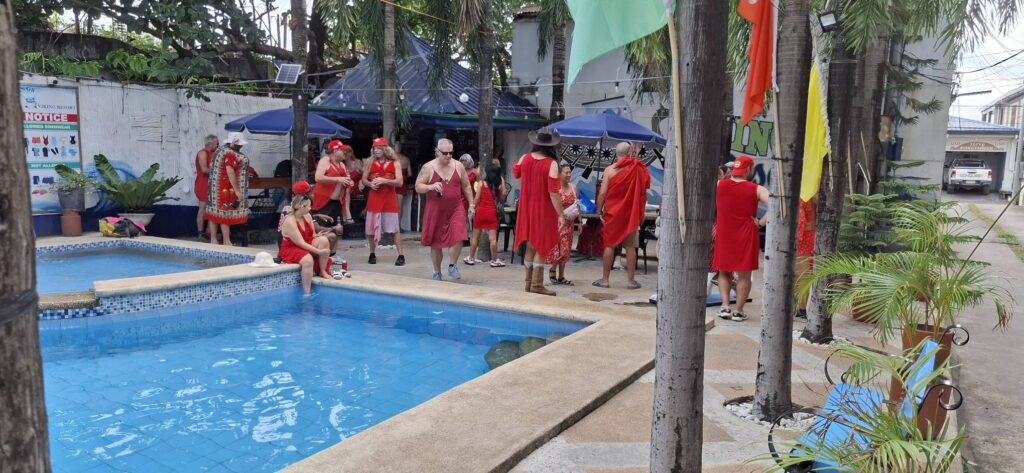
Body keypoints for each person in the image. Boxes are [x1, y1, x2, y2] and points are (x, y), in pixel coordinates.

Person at [711, 155, 769, 321]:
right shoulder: (757, 189)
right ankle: (738, 311)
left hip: (724, 232)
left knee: (724, 271)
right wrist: (760, 222)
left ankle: (725, 306)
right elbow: (775, 206)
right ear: (749, 169)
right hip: (746, 234)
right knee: (744, 275)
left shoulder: (719, 185)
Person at [513, 127, 566, 296]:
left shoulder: (525, 158)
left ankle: (528, 284)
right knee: (541, 247)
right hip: (543, 210)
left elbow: (516, 173)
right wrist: (561, 214)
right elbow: (553, 193)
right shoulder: (551, 164)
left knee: (530, 246)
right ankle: (537, 285)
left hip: (526, 208)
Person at [593, 143, 651, 289]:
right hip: (630, 215)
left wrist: (599, 210)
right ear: (630, 152)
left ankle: (605, 280)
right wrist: (641, 211)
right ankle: (631, 282)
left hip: (613, 214)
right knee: (630, 247)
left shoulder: (610, 170)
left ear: (615, 152)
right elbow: (643, 192)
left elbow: (602, 193)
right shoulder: (637, 168)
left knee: (609, 245)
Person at [416, 139, 476, 280]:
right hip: (435, 210)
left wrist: (471, 204)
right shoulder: (428, 167)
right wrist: (431, 186)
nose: (448, 156)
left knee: (460, 233)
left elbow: (466, 186)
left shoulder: (458, 166)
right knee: (436, 243)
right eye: (445, 153)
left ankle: (452, 265)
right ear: (437, 152)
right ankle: (437, 271)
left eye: (451, 153)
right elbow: (418, 186)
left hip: (456, 207)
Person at [278, 182, 346, 296]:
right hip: (292, 247)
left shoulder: (307, 214)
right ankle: (307, 293)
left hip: (304, 241)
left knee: (324, 240)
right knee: (308, 259)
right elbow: (300, 243)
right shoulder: (290, 220)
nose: (311, 208)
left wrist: (318, 236)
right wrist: (319, 252)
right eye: (309, 206)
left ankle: (323, 270)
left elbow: (313, 234)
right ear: (302, 205)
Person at [362, 137, 406, 266]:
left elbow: (400, 182)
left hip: (389, 199)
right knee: (371, 229)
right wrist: (370, 184)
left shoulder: (395, 163)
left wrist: (385, 181)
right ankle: (372, 253)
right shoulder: (369, 162)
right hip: (374, 198)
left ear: (385, 149)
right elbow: (364, 179)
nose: (376, 151)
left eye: (378, 148)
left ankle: (401, 255)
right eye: (374, 148)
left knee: (395, 229)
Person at [206, 132, 251, 246]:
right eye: (239, 144)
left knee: (215, 211)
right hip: (223, 188)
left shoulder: (220, 150)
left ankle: (213, 240)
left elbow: (211, 165)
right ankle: (227, 241)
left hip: (214, 187)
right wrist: (237, 191)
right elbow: (230, 171)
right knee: (224, 212)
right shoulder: (230, 153)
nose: (241, 146)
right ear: (234, 143)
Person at [466, 164, 507, 268]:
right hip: (492, 214)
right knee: (493, 239)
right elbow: (503, 197)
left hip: (481, 213)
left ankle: (471, 258)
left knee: (475, 238)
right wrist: (502, 181)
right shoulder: (498, 185)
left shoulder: (482, 183)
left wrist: (472, 207)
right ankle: (494, 260)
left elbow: (477, 199)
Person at [312, 139, 354, 230]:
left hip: (337, 202)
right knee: (323, 229)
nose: (345, 152)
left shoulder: (342, 164)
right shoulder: (325, 160)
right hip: (324, 201)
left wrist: (349, 182)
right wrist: (338, 179)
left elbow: (345, 180)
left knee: (338, 229)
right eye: (342, 150)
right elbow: (318, 177)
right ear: (335, 151)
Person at [547, 164, 578, 284]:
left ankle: (561, 276)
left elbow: (577, 205)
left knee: (565, 249)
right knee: (557, 248)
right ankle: (553, 269)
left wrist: (579, 222)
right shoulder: (555, 188)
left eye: (570, 172)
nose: (569, 175)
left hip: (569, 223)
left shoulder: (573, 188)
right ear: (559, 174)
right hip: (557, 222)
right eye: (566, 172)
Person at [194, 135, 218, 240]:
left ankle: (209, 232)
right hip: (203, 183)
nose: (218, 145)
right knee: (203, 208)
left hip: (212, 183)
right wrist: (219, 173)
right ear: (210, 143)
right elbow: (204, 169)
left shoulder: (214, 154)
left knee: (211, 208)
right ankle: (200, 233)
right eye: (216, 143)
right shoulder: (202, 153)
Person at [395, 142, 413, 231]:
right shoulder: (406, 159)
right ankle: (398, 226)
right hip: (401, 184)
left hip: (392, 184)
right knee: (399, 207)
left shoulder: (390, 159)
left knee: (390, 207)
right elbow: (410, 174)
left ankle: (390, 227)